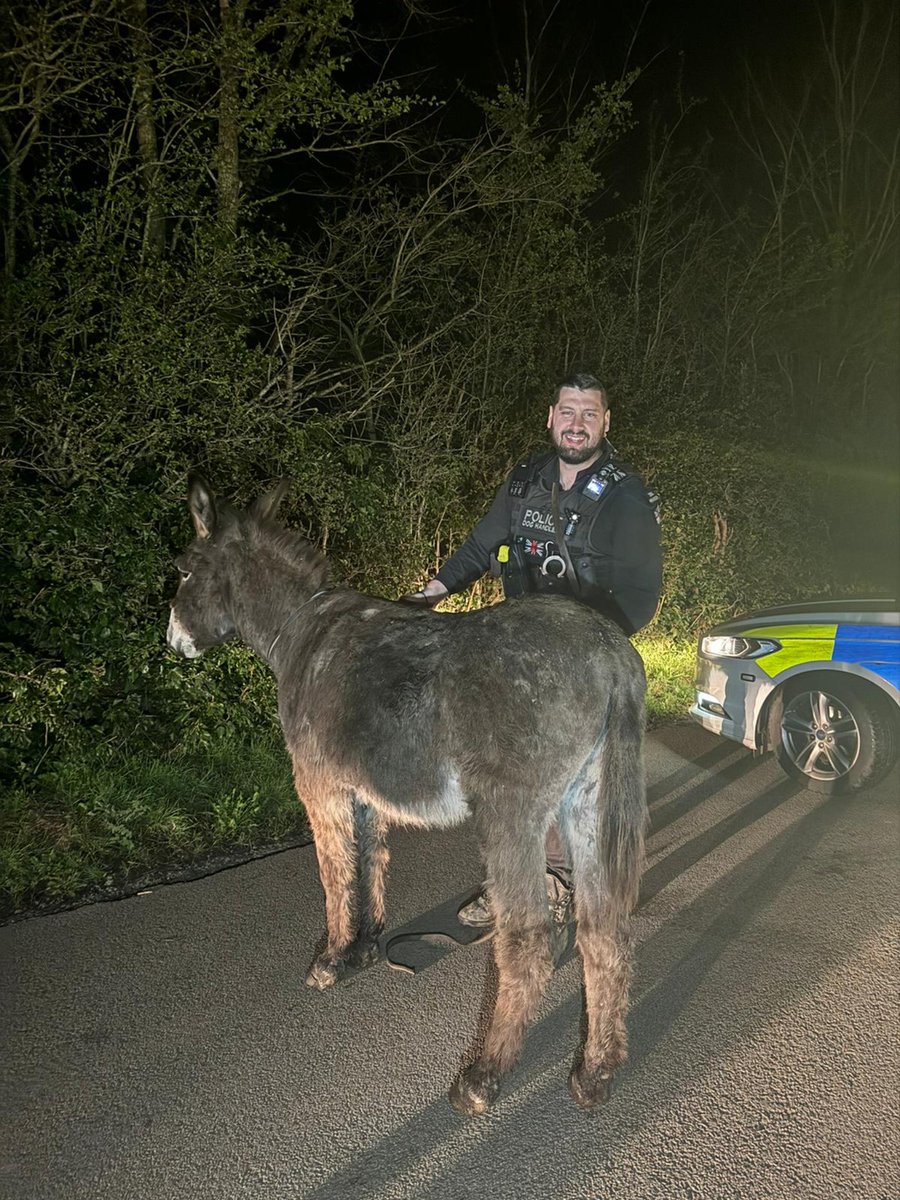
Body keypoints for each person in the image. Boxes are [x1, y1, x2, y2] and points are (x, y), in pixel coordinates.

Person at [402, 372, 663, 928]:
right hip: (519, 653)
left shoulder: (625, 495)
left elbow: (644, 593)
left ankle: (560, 879)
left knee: (563, 780)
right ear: (550, 417)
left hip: (584, 656)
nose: (576, 423)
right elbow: (479, 546)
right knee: (508, 774)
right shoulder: (525, 480)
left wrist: (588, 644)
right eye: (568, 411)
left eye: (589, 413)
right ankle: (520, 876)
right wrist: (431, 594)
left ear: (605, 423)